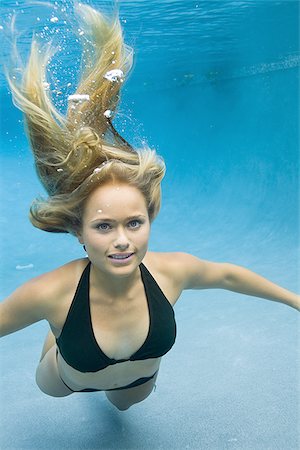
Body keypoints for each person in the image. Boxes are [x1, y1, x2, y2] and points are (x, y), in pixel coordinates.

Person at [1, 3, 298, 412]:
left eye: (134, 223)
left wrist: (297, 300)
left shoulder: (171, 271)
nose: (122, 240)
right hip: (64, 378)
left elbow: (229, 276)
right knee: (53, 377)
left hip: (138, 381)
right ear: (78, 231)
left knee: (124, 405)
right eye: (104, 227)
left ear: (149, 220)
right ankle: (59, 333)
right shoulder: (51, 291)